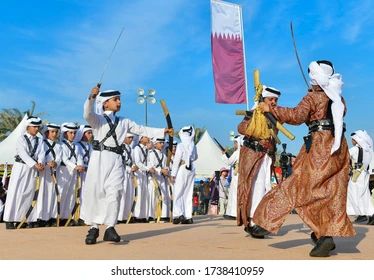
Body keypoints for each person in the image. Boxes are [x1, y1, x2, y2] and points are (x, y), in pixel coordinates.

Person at [252, 60, 355, 257]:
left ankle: (320, 236)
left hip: (319, 146)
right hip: (338, 146)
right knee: (329, 192)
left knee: (300, 186)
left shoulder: (313, 97)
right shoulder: (338, 99)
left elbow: (297, 116)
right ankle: (324, 234)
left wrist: (271, 109)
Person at [81, 86, 171, 245]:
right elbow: (87, 114)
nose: (119, 102)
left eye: (119, 99)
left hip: (116, 159)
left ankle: (110, 227)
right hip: (99, 158)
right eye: (115, 99)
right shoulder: (98, 120)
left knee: (114, 192)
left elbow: (142, 129)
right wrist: (91, 97)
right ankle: (94, 228)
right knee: (96, 192)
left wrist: (162, 131)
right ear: (105, 104)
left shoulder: (124, 121)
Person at [236, 86, 280, 234]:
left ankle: (258, 221)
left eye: (276, 100)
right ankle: (253, 221)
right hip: (252, 154)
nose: (274, 102)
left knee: (265, 187)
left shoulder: (275, 116)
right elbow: (241, 128)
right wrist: (256, 127)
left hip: (266, 157)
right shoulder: (253, 113)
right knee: (253, 187)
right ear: (263, 100)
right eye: (271, 99)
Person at [3, 116, 45, 229]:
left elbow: (41, 153)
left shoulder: (40, 140)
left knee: (28, 193)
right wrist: (34, 164)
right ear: (28, 127)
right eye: (34, 126)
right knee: (15, 192)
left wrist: (40, 162)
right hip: (20, 167)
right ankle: (9, 219)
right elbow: (23, 153)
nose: (36, 129)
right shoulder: (21, 139)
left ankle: (23, 219)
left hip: (32, 169)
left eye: (38, 127)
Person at [58, 122, 85, 226]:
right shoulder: (61, 145)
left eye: (74, 133)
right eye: (71, 133)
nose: (73, 135)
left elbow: (79, 157)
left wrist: (80, 165)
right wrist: (75, 166)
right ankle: (59, 217)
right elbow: (64, 159)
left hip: (74, 172)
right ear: (65, 133)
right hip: (64, 171)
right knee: (62, 193)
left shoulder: (76, 146)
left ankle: (67, 217)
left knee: (71, 195)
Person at [171, 126, 198, 224]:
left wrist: (173, 174)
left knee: (178, 192)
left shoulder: (181, 145)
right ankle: (188, 216)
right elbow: (195, 157)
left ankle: (177, 215)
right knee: (188, 192)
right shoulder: (193, 144)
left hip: (182, 168)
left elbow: (176, 160)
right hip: (191, 168)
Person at [346, 130, 374, 225]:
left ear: (357, 140)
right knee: (364, 195)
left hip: (356, 175)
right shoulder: (369, 150)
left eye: (353, 139)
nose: (352, 141)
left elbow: (344, 157)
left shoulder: (355, 149)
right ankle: (370, 215)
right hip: (365, 174)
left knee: (353, 194)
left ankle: (361, 215)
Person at [37, 123, 62, 226]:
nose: (54, 134)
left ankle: (49, 217)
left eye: (56, 132)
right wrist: (43, 163)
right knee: (41, 194)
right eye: (52, 132)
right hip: (43, 172)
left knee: (52, 195)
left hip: (53, 172)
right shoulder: (41, 143)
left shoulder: (59, 145)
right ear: (47, 132)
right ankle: (40, 218)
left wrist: (55, 163)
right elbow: (40, 155)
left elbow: (59, 158)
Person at [117, 132, 137, 223]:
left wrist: (134, 166)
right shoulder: (120, 147)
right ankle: (119, 217)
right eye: (129, 138)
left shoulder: (131, 149)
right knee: (123, 194)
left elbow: (132, 160)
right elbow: (121, 161)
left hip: (130, 173)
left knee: (129, 194)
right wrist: (129, 168)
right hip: (123, 172)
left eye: (132, 138)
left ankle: (126, 216)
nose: (131, 139)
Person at [222, 135, 242, 219]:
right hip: (239, 175)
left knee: (234, 194)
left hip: (236, 175)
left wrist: (223, 155)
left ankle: (234, 213)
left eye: (235, 143)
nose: (234, 145)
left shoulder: (237, 152)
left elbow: (229, 162)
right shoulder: (244, 152)